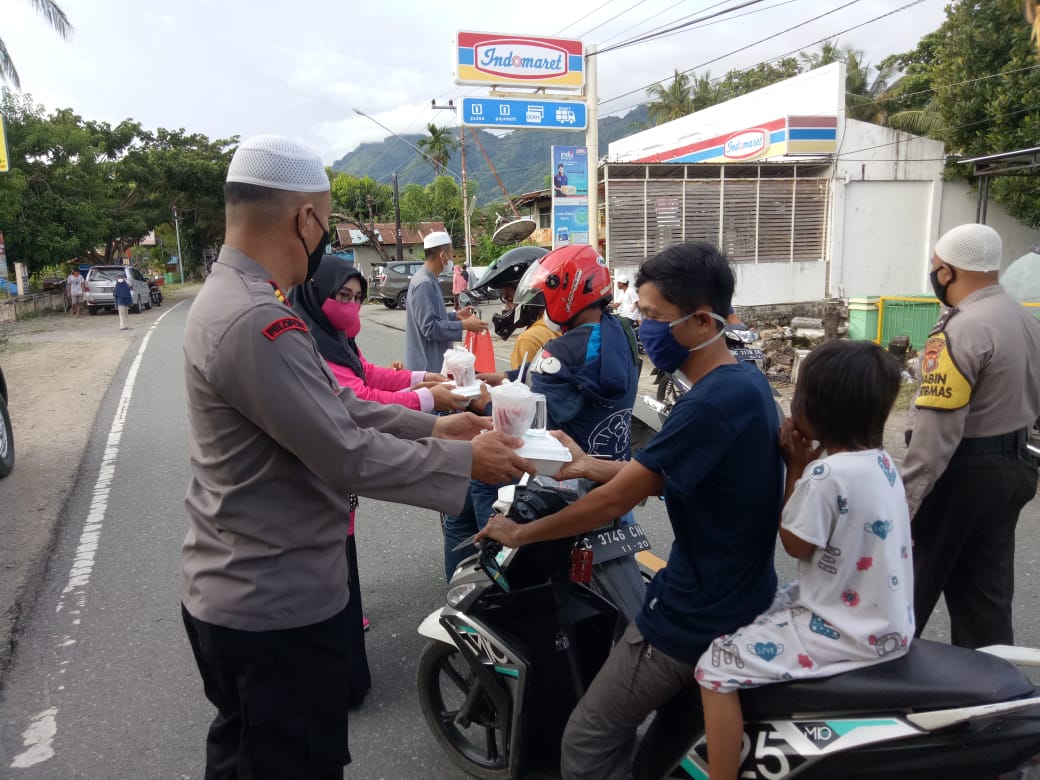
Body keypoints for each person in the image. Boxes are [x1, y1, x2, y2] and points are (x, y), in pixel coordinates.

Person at [180, 134, 533, 779]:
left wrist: (435, 427)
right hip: (274, 605)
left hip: (240, 589)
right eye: (327, 220)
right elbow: (343, 451)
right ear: (305, 219)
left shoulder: (238, 302)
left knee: (245, 758)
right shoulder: (258, 321)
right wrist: (466, 462)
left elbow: (334, 407)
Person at [477, 241, 784, 780]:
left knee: (588, 737)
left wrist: (520, 535)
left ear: (702, 320)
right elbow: (659, 472)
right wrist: (584, 465)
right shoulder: (742, 383)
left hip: (694, 614)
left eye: (654, 316)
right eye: (639, 312)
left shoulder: (708, 402)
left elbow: (616, 502)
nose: (644, 327)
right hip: (741, 591)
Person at [696, 340, 912, 780]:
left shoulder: (825, 475)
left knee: (714, 667)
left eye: (796, 396)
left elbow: (796, 544)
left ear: (818, 411)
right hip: (887, 623)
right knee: (766, 605)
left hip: (842, 628)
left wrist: (795, 467)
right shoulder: (883, 463)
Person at [445, 245, 641, 580]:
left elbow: (522, 419)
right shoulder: (618, 331)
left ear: (567, 291)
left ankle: (492, 569)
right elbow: (562, 378)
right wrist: (507, 376)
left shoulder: (560, 349)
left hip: (564, 476)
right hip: (613, 470)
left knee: (477, 483)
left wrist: (475, 400)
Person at [903, 223, 1040, 649]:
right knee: (985, 598)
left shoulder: (961, 330)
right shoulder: (1026, 320)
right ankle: (991, 698)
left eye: (934, 267)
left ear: (946, 271)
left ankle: (877, 694)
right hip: (1015, 467)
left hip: (962, 475)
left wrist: (906, 500)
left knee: (907, 593)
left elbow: (935, 432)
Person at [291, 254, 468, 414]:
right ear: (317, 295)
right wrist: (423, 398)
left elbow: (365, 372)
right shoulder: (310, 345)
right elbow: (360, 400)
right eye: (344, 296)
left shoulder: (337, 337)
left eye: (357, 297)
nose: (352, 305)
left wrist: (420, 377)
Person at [404, 231, 488, 372]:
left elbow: (432, 317)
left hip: (432, 364)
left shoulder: (430, 279)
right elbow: (430, 328)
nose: (451, 259)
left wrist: (456, 316)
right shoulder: (424, 283)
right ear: (442, 255)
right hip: (427, 366)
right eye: (451, 255)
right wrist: (463, 325)